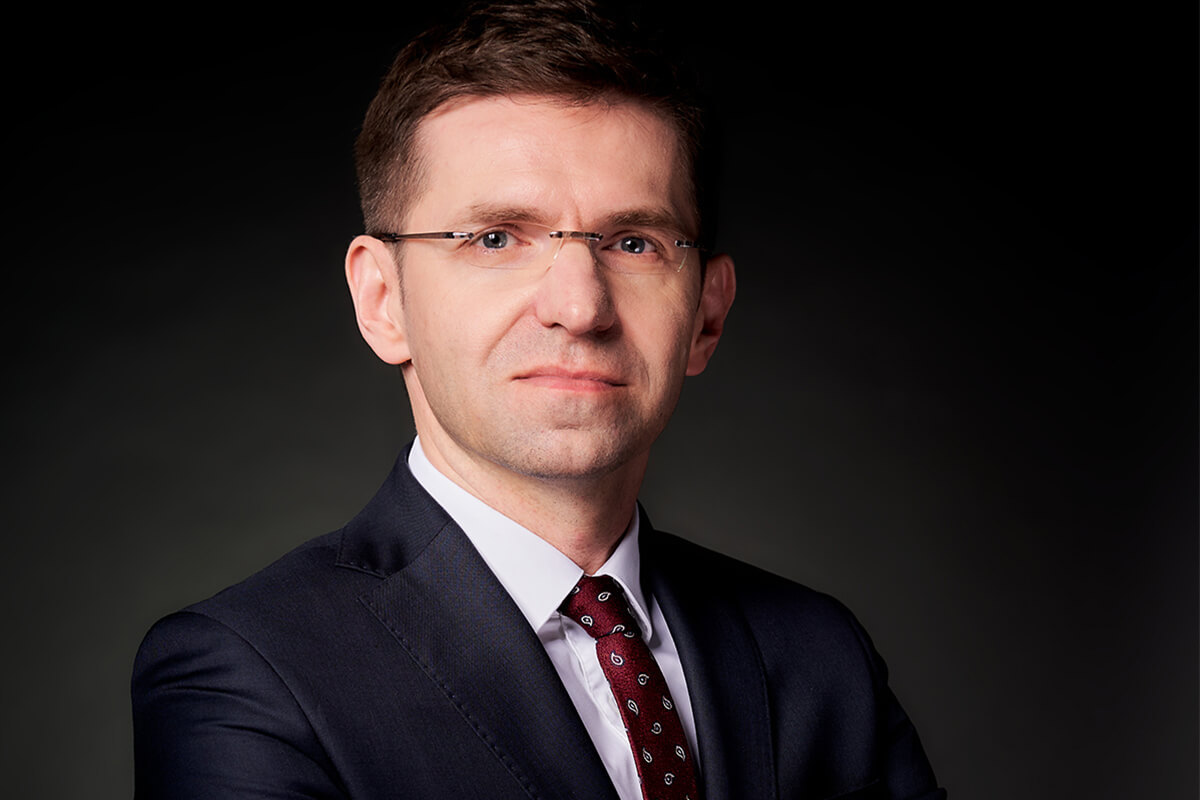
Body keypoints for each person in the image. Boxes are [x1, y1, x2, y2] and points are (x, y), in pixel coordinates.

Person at [132, 2, 945, 798]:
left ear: (707, 313)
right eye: (496, 238)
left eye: (634, 242)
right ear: (383, 300)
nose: (579, 306)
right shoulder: (249, 673)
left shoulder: (819, 653)